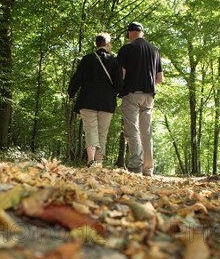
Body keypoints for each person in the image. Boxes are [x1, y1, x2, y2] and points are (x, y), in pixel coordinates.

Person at [68, 32, 123, 167]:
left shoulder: (87, 59)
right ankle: (98, 162)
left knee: (90, 130)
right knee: (102, 133)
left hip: (87, 101)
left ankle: (91, 161)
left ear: (96, 44)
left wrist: (71, 92)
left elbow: (76, 79)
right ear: (108, 44)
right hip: (107, 103)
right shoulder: (115, 62)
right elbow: (119, 85)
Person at [117, 21, 164, 176]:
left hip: (132, 94)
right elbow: (159, 79)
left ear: (130, 33)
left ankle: (136, 165)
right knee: (147, 132)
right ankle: (148, 168)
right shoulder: (155, 50)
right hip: (149, 96)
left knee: (132, 130)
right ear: (142, 32)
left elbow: (121, 74)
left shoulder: (127, 49)